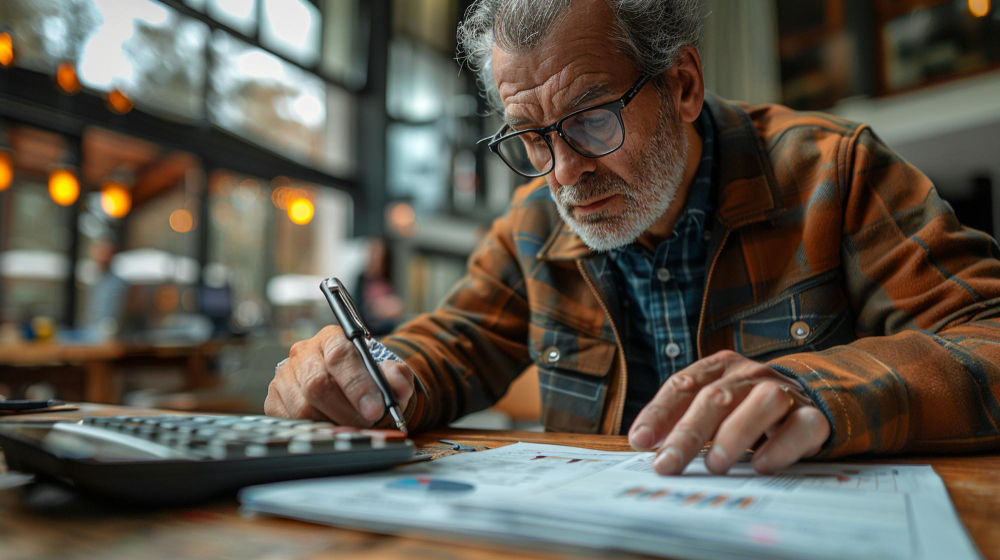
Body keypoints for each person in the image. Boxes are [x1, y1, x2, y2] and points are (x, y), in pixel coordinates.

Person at [266, 0, 1000, 476]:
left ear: (681, 85)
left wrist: (816, 388)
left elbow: (989, 340)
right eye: (530, 137)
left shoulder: (835, 172)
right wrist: (372, 377)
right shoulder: (531, 224)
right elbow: (452, 344)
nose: (564, 174)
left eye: (590, 120)